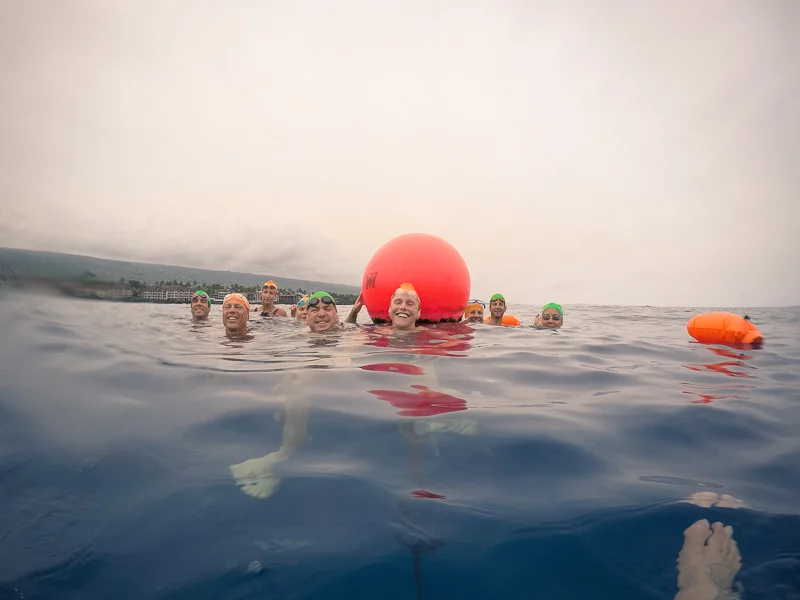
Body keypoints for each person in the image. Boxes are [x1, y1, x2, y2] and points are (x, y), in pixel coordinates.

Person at [346, 283, 421, 332]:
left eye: (410, 304)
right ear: (389, 310)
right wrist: (353, 315)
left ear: (418, 313)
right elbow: (345, 330)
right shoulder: (376, 332)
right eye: (398, 302)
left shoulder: (429, 334)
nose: (403, 307)